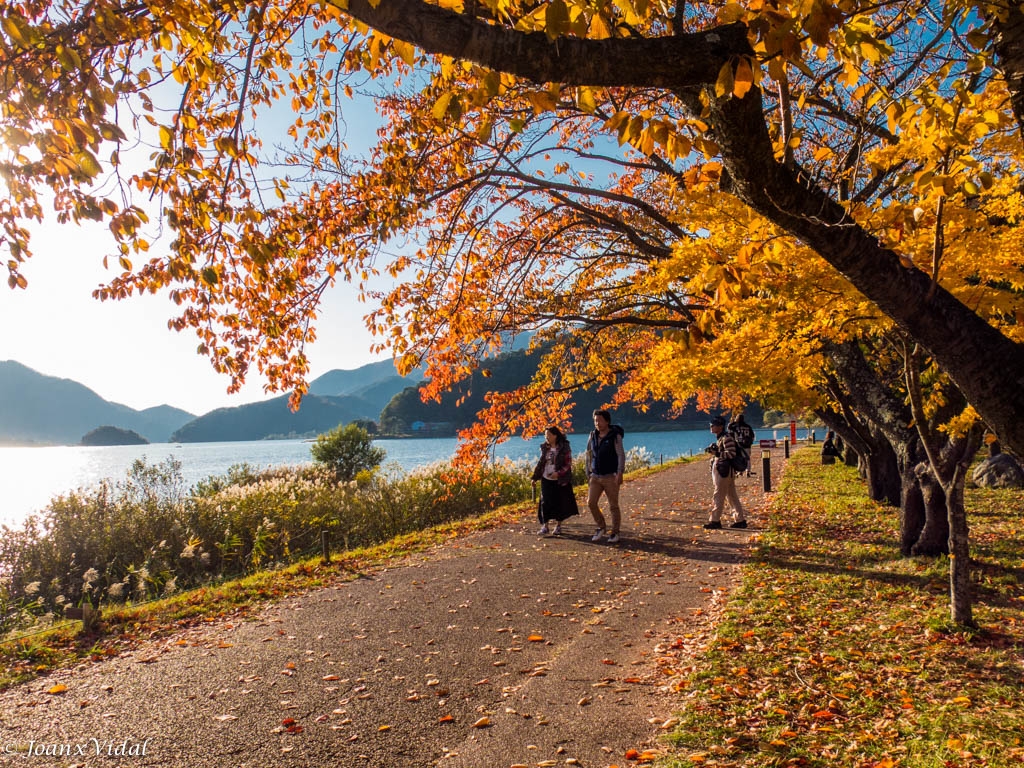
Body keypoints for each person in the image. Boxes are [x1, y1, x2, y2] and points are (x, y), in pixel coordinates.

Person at [585, 409, 625, 543]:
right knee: (591, 503)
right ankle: (601, 527)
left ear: (607, 421)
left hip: (610, 476)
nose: (597, 423)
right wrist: (588, 472)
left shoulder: (615, 436)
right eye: (595, 420)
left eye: (600, 420)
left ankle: (615, 532)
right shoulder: (592, 436)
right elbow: (589, 455)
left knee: (613, 505)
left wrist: (620, 472)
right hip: (595, 476)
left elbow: (620, 455)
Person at [531, 426, 579, 535]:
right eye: (545, 435)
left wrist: (558, 473)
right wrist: (535, 477)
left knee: (559, 502)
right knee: (545, 502)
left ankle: (558, 526)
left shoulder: (564, 447)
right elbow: (541, 463)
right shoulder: (545, 448)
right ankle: (545, 526)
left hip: (560, 479)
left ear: (555, 435)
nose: (546, 437)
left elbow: (568, 463)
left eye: (549, 435)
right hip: (546, 478)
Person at [704, 415, 748, 530]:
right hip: (724, 470)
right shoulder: (721, 438)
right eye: (711, 425)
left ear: (721, 426)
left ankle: (715, 520)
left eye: (714, 425)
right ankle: (740, 520)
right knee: (731, 496)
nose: (711, 427)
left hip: (724, 471)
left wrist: (717, 453)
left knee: (718, 495)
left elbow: (731, 454)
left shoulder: (726, 438)